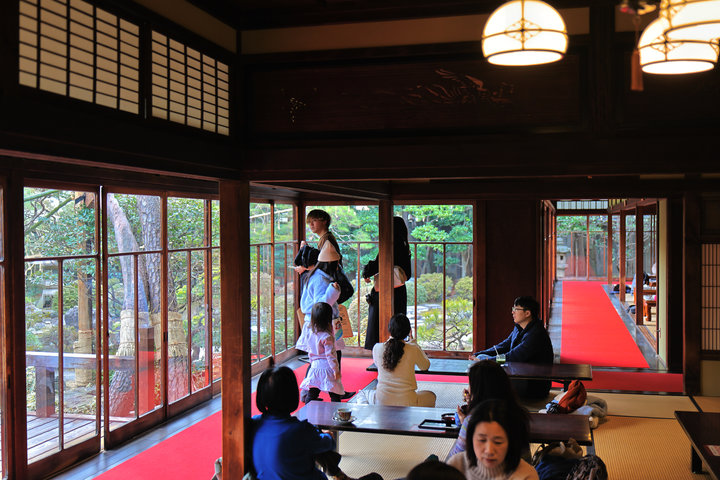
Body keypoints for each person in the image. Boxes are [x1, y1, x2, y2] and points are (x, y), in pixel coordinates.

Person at [250, 363, 383, 480]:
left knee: (309, 443)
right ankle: (338, 474)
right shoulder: (300, 429)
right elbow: (329, 443)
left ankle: (338, 474)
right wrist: (327, 435)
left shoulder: (254, 424)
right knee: (375, 478)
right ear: (292, 395)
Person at [469, 296, 553, 399]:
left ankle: (477, 398)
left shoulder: (536, 334)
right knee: (481, 357)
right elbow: (503, 346)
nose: (512, 312)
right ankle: (475, 396)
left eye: (516, 309)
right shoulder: (519, 327)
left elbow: (513, 356)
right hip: (519, 374)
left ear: (527, 313)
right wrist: (479, 354)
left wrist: (486, 361)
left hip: (532, 384)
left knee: (486, 369)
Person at [446, 360, 528, 459]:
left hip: (485, 468)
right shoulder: (518, 414)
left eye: (470, 384)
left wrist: (465, 424)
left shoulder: (474, 420)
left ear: (479, 390)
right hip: (517, 467)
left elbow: (453, 458)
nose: (468, 389)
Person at [447, 400, 538, 480]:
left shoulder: (526, 475)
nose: (489, 451)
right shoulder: (456, 465)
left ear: (511, 443)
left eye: (498, 442)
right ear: (471, 439)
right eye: (482, 440)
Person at [363, 216, 412, 350]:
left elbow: (377, 265)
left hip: (385, 290)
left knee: (380, 325)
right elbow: (408, 274)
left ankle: (382, 354)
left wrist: (366, 272)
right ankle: (396, 352)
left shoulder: (391, 245)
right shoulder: (404, 245)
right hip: (399, 290)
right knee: (397, 325)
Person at [370, 313, 435, 407]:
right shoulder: (412, 348)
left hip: (382, 400)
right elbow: (425, 366)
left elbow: (377, 364)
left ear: (389, 329)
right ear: (409, 331)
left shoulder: (377, 347)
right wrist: (414, 344)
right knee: (431, 396)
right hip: (406, 401)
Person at [299, 302, 345, 403]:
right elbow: (331, 355)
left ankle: (308, 410)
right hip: (327, 368)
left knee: (312, 393)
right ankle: (336, 411)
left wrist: (312, 363)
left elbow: (310, 351)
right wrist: (336, 370)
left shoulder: (310, 332)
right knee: (335, 394)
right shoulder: (327, 336)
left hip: (314, 367)